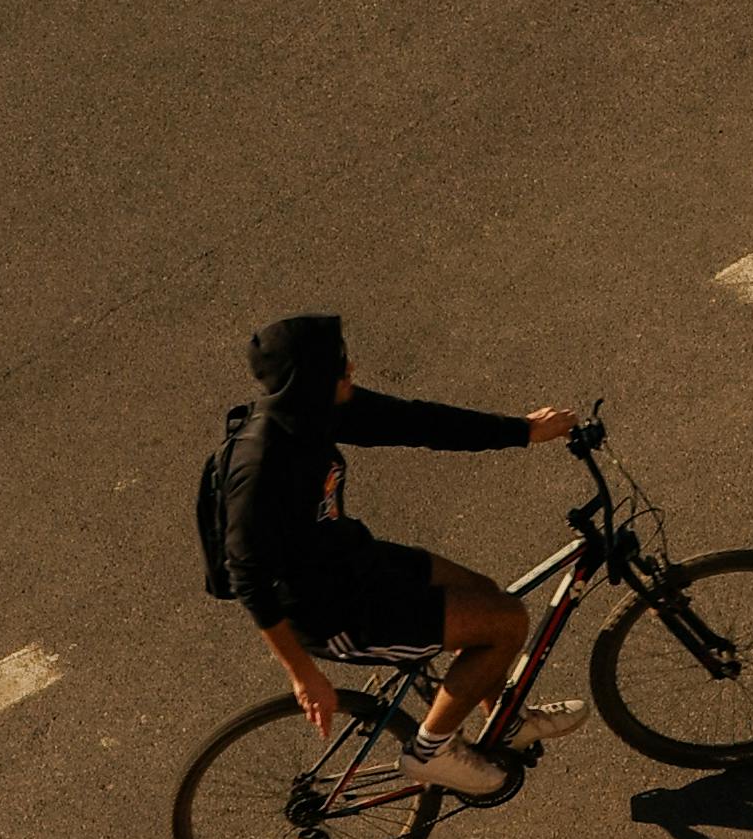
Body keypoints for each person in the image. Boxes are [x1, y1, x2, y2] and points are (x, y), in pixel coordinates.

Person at [216, 312, 578, 798]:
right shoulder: (262, 464)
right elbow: (247, 578)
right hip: (336, 614)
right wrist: (304, 675)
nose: (352, 369)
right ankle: (431, 751)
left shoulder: (317, 409)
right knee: (507, 622)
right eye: (341, 364)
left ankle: (504, 723)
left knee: (482, 594)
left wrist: (522, 431)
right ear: (311, 378)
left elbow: (418, 422)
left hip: (355, 564)